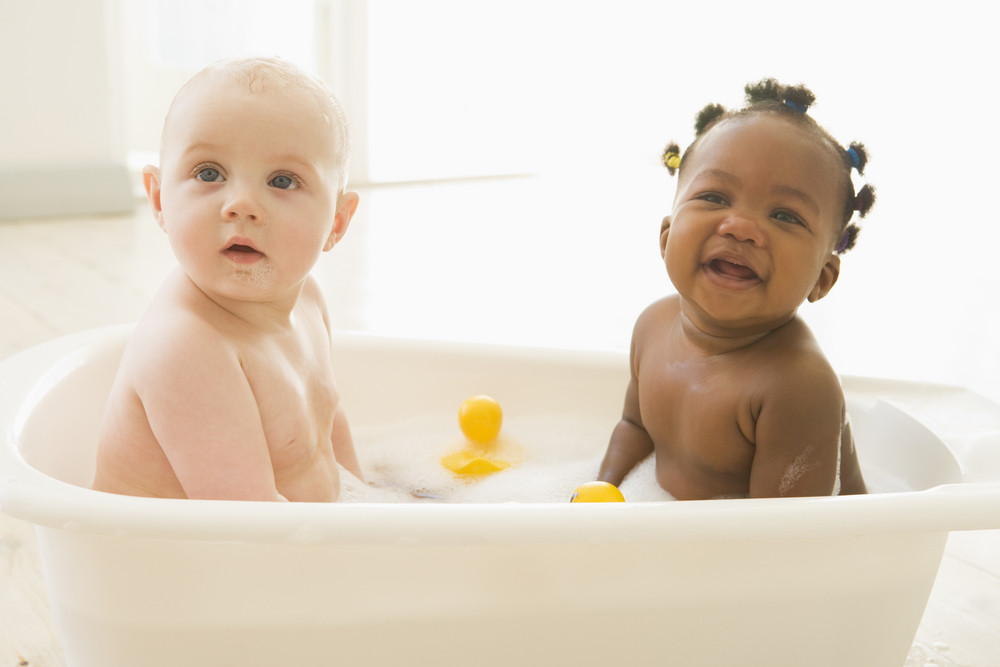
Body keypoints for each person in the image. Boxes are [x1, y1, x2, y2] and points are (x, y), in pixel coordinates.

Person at [93, 57, 363, 501]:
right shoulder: (186, 346)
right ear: (159, 199)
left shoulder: (308, 300)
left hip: (281, 547)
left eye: (282, 180)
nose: (241, 204)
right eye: (209, 173)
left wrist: (376, 498)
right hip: (179, 567)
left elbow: (329, 424)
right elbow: (247, 526)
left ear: (336, 222)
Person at [597, 79, 873, 499]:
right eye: (714, 197)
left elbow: (781, 540)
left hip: (795, 553)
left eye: (784, 215)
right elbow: (635, 429)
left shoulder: (795, 387)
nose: (741, 227)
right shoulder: (652, 326)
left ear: (822, 278)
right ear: (666, 237)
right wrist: (595, 497)